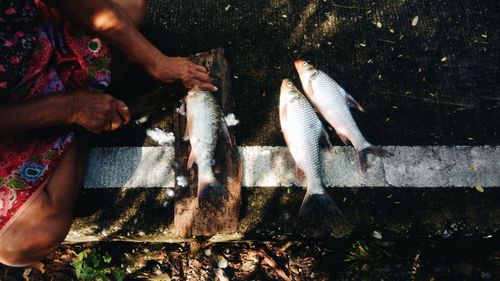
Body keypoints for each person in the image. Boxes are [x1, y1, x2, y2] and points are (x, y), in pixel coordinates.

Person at [0, 0, 216, 266]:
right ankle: (82, 125)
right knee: (19, 243)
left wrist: (155, 61)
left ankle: (90, 107)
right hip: (11, 122)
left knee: (129, 7)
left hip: (36, 44)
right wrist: (72, 109)